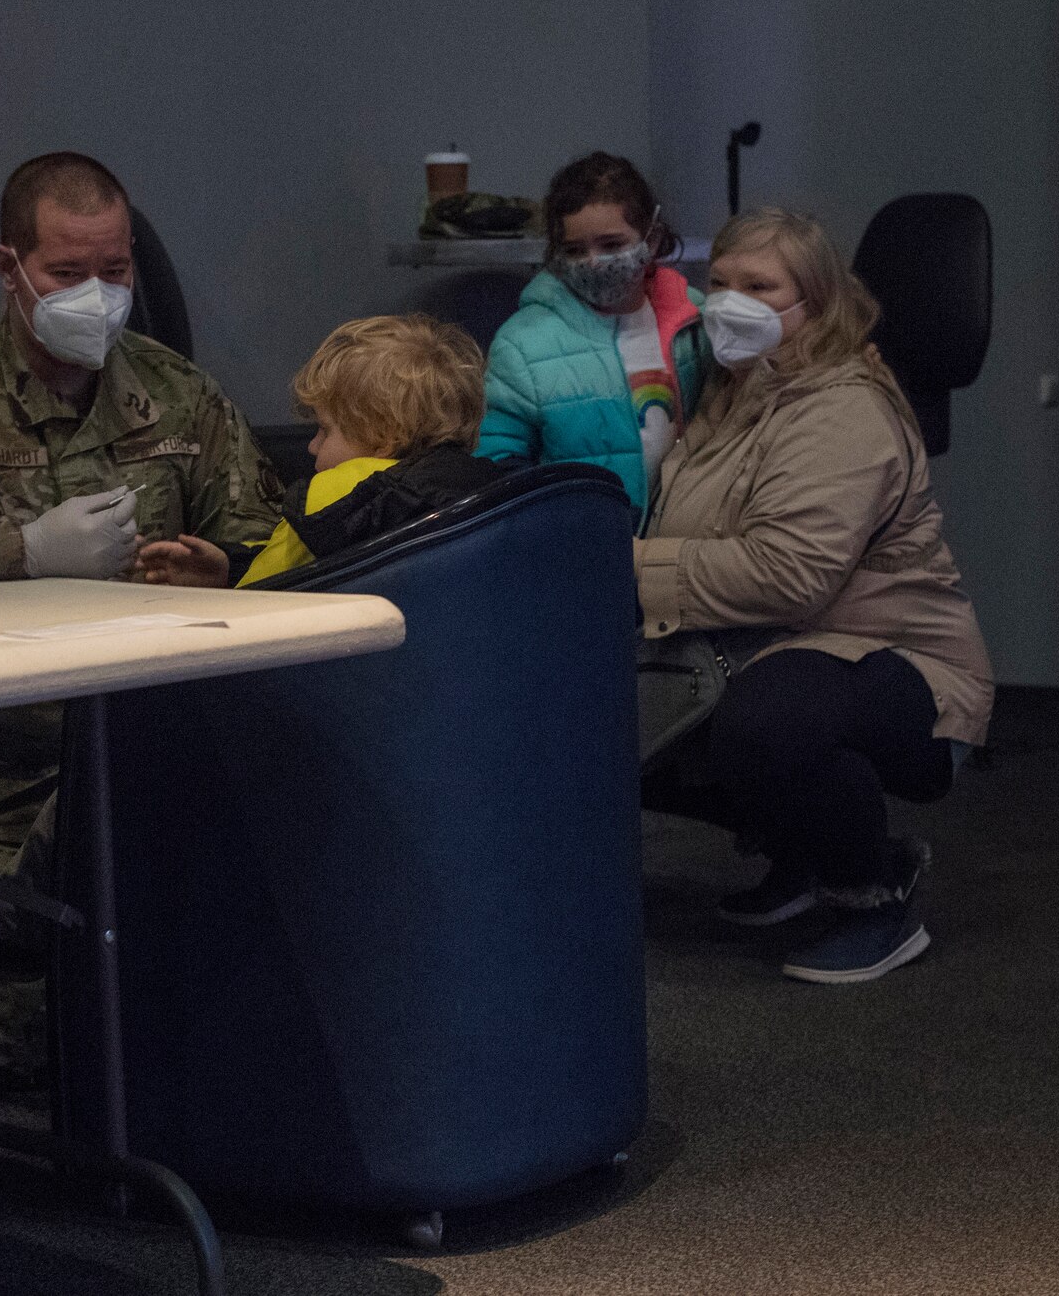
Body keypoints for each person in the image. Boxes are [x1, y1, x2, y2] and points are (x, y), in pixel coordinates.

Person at [0, 151, 282, 1078]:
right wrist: (24, 552)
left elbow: (271, 552)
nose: (95, 294)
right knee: (47, 1051)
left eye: (115, 271)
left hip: (154, 760)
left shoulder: (178, 395)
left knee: (222, 1019)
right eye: (66, 274)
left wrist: (227, 568)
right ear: (9, 267)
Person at [638, 207, 993, 984]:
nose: (732, 301)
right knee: (622, 714)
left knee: (766, 725)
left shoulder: (842, 406)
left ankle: (876, 888)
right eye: (721, 282)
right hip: (782, 645)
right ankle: (800, 853)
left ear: (818, 304)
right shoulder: (734, 392)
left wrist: (629, 574)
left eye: (761, 286)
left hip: (907, 668)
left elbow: (787, 572)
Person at [138, 313, 506, 587]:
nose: (312, 446)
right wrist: (230, 565)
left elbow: (260, 599)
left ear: (384, 438)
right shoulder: (489, 495)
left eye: (324, 430)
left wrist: (230, 585)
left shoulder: (334, 502)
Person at [477, 151, 710, 523]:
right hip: (578, 546)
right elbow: (496, 463)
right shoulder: (523, 344)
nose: (594, 262)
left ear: (651, 238)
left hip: (681, 545)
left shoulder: (695, 323)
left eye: (612, 245)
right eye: (574, 250)